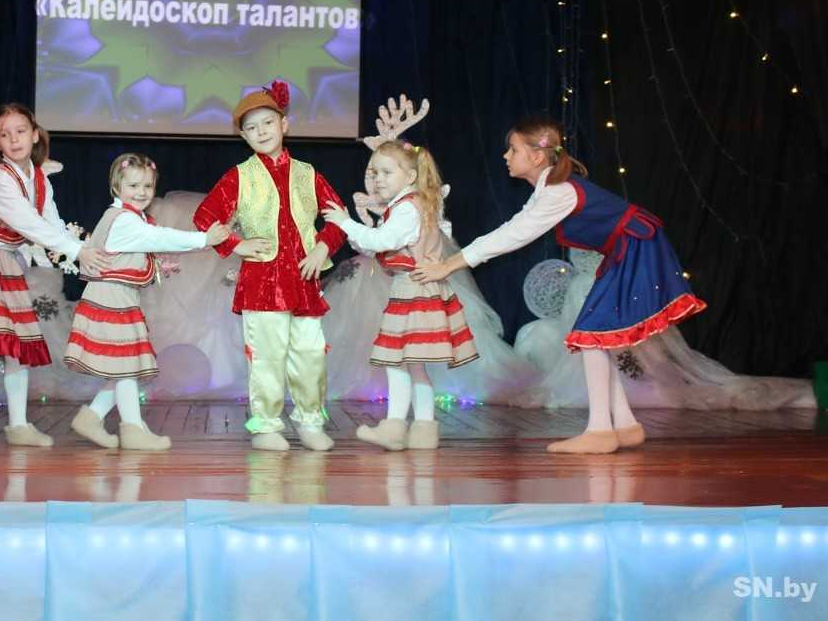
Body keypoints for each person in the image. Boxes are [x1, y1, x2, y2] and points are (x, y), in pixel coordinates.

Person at [413, 116, 706, 453]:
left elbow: (514, 235)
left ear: (537, 156)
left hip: (637, 249)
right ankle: (624, 425)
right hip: (629, 250)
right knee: (598, 336)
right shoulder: (548, 189)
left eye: (513, 149)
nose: (506, 156)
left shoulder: (558, 191)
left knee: (592, 334)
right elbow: (514, 226)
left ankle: (601, 431)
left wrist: (449, 264)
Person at [0, 103, 110, 449]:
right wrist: (77, 252)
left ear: (35, 134)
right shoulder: (1, 179)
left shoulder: (38, 178)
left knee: (14, 349)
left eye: (21, 131)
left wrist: (82, 255)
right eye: (5, 134)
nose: (14, 140)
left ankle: (18, 425)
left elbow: (52, 223)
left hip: (7, 262)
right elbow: (30, 225)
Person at [193, 80, 348, 451]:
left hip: (304, 280)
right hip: (262, 282)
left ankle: (310, 421)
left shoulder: (308, 173)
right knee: (267, 357)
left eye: (267, 123)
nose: (261, 131)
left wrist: (321, 248)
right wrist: (237, 244)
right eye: (251, 127)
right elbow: (204, 219)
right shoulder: (239, 176)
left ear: (284, 124)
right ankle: (265, 427)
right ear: (243, 136)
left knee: (310, 355)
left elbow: (339, 218)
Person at [64, 152, 230, 450]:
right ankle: (132, 429)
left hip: (117, 297)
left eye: (148, 186)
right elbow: (159, 236)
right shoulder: (123, 220)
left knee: (123, 367)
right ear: (116, 187)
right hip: (110, 300)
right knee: (127, 367)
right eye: (133, 186)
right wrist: (204, 238)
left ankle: (92, 417)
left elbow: (128, 256)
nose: (141, 192)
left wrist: (157, 267)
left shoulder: (129, 218)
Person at [322, 140, 477, 451]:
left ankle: (394, 428)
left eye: (386, 172)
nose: (378, 179)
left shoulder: (407, 208)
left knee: (396, 362)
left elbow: (384, 241)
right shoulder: (414, 204)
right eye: (374, 172)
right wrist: (356, 232)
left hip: (413, 290)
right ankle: (423, 431)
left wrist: (345, 223)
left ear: (410, 176)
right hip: (418, 288)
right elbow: (381, 247)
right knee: (414, 365)